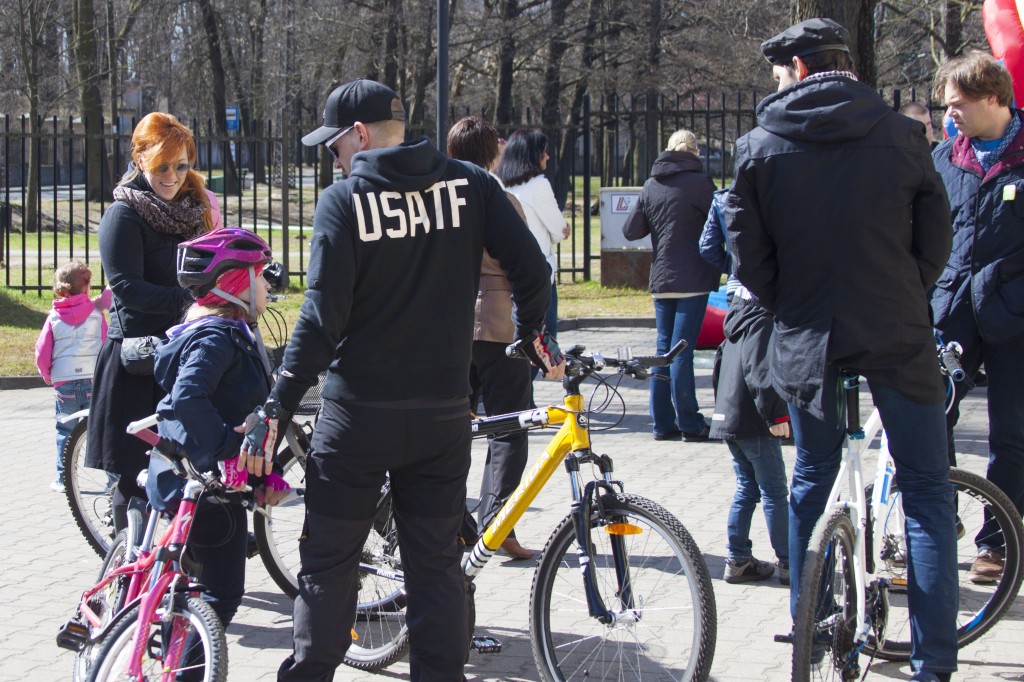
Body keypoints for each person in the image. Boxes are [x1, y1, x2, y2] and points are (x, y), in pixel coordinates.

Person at [239, 78, 559, 682]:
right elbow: (533, 269)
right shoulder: (472, 185)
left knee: (329, 567)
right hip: (442, 415)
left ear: (359, 135)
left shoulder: (344, 201)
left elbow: (321, 320)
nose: (333, 159)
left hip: (357, 418)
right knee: (435, 569)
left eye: (334, 145)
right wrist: (532, 332)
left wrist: (276, 404)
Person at [724, 18, 957, 681]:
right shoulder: (903, 135)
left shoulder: (758, 146)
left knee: (809, 480)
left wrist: (791, 303)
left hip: (809, 335)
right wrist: (907, 289)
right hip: (895, 330)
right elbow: (936, 235)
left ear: (799, 69)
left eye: (779, 74)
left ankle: (812, 624)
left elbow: (747, 253)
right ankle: (934, 664)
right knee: (926, 493)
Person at [87, 112, 223, 533]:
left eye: (181, 165)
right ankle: (127, 558)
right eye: (162, 166)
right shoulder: (123, 215)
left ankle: (189, 551)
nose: (172, 176)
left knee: (192, 466)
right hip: (140, 359)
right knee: (135, 479)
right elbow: (126, 288)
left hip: (183, 348)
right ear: (140, 158)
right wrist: (192, 300)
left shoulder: (193, 208)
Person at [148, 226, 290, 627]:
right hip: (207, 489)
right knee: (220, 596)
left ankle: (175, 634)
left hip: (189, 474)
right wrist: (231, 448)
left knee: (192, 582)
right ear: (235, 284)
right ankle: (189, 658)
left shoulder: (221, 332)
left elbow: (230, 404)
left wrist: (260, 474)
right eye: (259, 277)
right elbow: (188, 397)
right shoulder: (217, 337)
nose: (268, 286)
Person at [930, 51, 1024, 586]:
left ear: (993, 98)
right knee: (931, 416)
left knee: (1011, 434)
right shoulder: (945, 158)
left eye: (958, 104)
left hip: (1015, 314)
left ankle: (998, 541)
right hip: (952, 312)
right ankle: (938, 524)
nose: (950, 114)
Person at [448, 115, 536, 560]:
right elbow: (524, 264)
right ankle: (498, 523)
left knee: (450, 427)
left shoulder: (442, 204)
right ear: (493, 155)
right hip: (501, 326)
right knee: (509, 426)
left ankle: (450, 520)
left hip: (455, 324)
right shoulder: (502, 200)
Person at [701, 192, 791, 584]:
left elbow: (723, 366)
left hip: (730, 416)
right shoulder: (762, 317)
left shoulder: (735, 316)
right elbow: (759, 370)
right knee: (774, 490)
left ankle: (737, 558)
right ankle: (789, 561)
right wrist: (776, 415)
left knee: (746, 488)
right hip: (755, 418)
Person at [622, 129, 718, 442]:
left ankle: (662, 423)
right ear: (694, 152)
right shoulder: (701, 183)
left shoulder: (651, 184)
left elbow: (631, 230)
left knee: (663, 351)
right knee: (682, 352)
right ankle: (690, 423)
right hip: (693, 277)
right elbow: (721, 221)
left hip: (661, 279)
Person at [35, 260, 111, 492]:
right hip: (93, 379)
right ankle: (114, 480)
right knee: (100, 429)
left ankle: (64, 480)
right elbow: (105, 343)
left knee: (65, 431)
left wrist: (47, 373)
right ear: (86, 286)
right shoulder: (96, 313)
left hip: (65, 382)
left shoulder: (53, 317)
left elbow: (42, 350)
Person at [495, 129, 570, 342]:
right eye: (543, 151)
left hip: (510, 268)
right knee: (544, 336)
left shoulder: (500, 184)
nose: (548, 156)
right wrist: (561, 229)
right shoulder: (538, 184)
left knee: (518, 333)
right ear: (532, 155)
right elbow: (559, 229)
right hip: (539, 270)